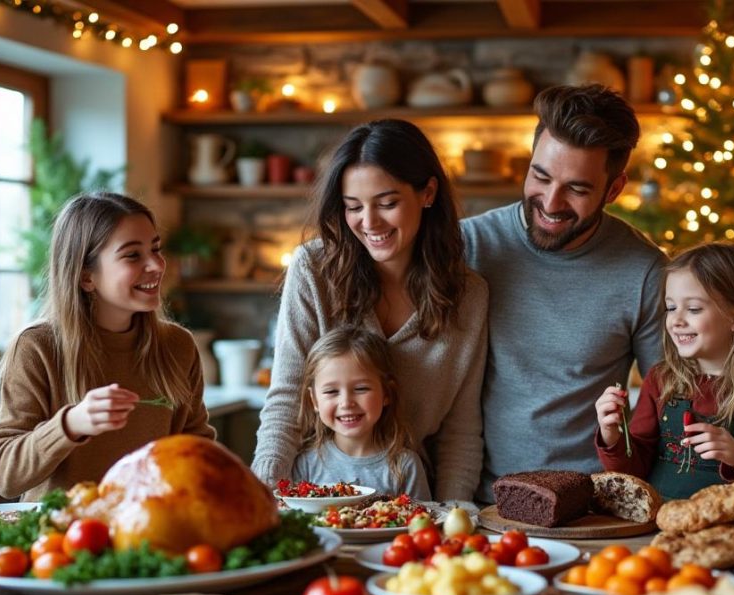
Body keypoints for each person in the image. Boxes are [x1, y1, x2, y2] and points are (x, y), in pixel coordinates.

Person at [252, 119, 488, 501]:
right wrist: (262, 497)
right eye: (353, 207)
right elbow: (286, 399)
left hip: (408, 496)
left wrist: (453, 517)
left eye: (387, 203)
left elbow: (460, 430)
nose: (370, 222)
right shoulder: (314, 269)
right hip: (317, 490)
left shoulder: (469, 296)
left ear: (427, 193)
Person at [461, 84, 668, 503]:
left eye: (577, 188)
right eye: (540, 176)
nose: (551, 202)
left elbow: (668, 400)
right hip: (485, 502)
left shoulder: (644, 270)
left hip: (593, 506)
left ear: (614, 190)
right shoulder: (470, 246)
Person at [0, 192, 214, 502]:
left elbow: (196, 450)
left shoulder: (177, 345)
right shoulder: (36, 348)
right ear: (86, 277)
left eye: (155, 249)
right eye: (133, 255)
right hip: (63, 540)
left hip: (149, 533)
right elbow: (3, 476)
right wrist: (70, 424)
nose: (157, 265)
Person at [594, 243, 734, 500]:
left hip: (728, 529)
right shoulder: (660, 380)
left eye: (694, 309)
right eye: (671, 307)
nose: (676, 321)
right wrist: (612, 437)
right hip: (658, 522)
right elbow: (634, 470)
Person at [290, 327, 429, 500]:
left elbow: (421, 524)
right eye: (332, 392)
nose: (347, 402)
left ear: (386, 394)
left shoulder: (406, 465)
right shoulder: (306, 464)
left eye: (361, 388)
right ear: (314, 400)